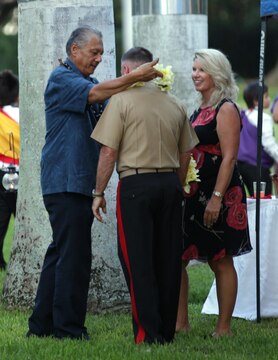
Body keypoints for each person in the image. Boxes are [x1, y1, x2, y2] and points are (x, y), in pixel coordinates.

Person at [27, 26, 163, 340]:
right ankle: (69, 329)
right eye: (94, 52)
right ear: (74, 50)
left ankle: (41, 326)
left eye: (101, 53)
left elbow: (108, 108)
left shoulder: (87, 81)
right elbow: (96, 95)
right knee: (74, 257)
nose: (99, 59)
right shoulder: (62, 79)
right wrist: (134, 76)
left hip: (75, 182)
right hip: (66, 180)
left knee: (60, 253)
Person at [91, 47, 199, 345]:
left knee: (138, 260)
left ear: (127, 71)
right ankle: (166, 331)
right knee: (167, 258)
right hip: (169, 184)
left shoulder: (121, 100)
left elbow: (108, 151)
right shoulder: (174, 102)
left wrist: (98, 192)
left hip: (136, 185)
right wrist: (175, 185)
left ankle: (147, 333)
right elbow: (187, 152)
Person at [176, 49, 252, 337]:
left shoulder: (226, 109)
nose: (195, 74)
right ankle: (180, 323)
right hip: (194, 194)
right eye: (194, 69)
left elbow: (230, 157)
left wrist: (217, 199)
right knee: (179, 257)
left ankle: (224, 327)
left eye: (201, 70)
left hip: (219, 193)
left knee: (220, 259)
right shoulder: (199, 109)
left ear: (216, 73)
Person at [237, 81, 278, 196]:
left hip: (241, 165)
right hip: (257, 166)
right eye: (266, 96)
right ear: (256, 100)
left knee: (251, 198)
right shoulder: (263, 118)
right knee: (263, 200)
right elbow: (269, 143)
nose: (269, 99)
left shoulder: (244, 115)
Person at [0, 70, 20, 270]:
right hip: (18, 172)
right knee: (21, 218)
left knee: (1, 219)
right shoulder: (18, 113)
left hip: (0, 173)